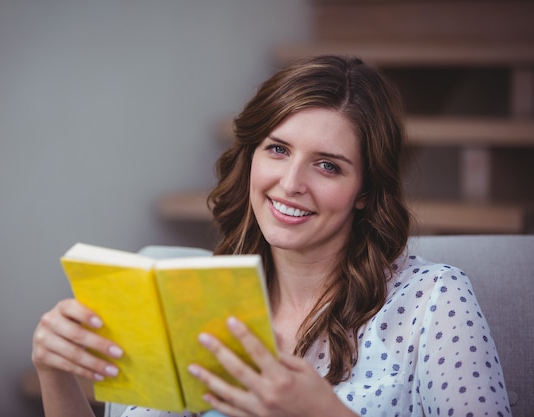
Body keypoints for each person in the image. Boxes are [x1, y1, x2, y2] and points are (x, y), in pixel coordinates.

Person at [32, 55, 512, 417]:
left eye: (328, 165)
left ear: (364, 191)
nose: (290, 183)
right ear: (251, 158)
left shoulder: (432, 300)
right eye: (278, 149)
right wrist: (54, 373)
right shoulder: (193, 299)